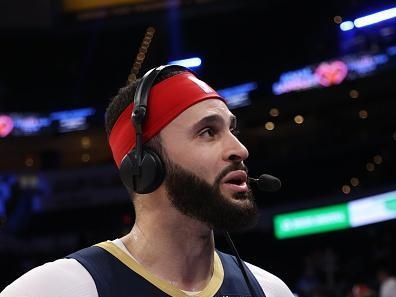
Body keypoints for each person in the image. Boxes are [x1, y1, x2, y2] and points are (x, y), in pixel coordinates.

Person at [1, 65, 294, 296]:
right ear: (144, 164)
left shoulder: (270, 291)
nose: (239, 149)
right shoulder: (56, 291)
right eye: (208, 132)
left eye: (233, 130)